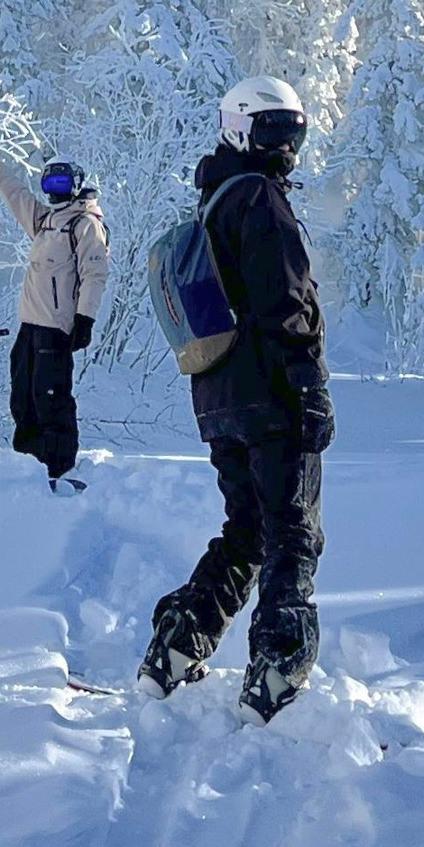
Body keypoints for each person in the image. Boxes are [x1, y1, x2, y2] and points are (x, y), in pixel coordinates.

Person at [140, 76, 333, 723]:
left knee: (248, 531)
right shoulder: (260, 203)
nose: (287, 146)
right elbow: (287, 308)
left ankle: (176, 645)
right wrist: (310, 392)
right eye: (274, 130)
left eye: (295, 132)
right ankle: (278, 665)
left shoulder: (218, 199)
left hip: (218, 400)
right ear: (239, 129)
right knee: (292, 532)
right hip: (272, 400)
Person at [0, 134, 108, 487]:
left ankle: (59, 466)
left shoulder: (84, 223)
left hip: (57, 326)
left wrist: (85, 318)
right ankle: (28, 465)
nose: (54, 189)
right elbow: (15, 195)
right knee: (22, 398)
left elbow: (95, 273)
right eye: (49, 181)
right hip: (29, 326)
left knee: (50, 399)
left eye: (61, 181)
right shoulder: (47, 220)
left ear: (77, 183)